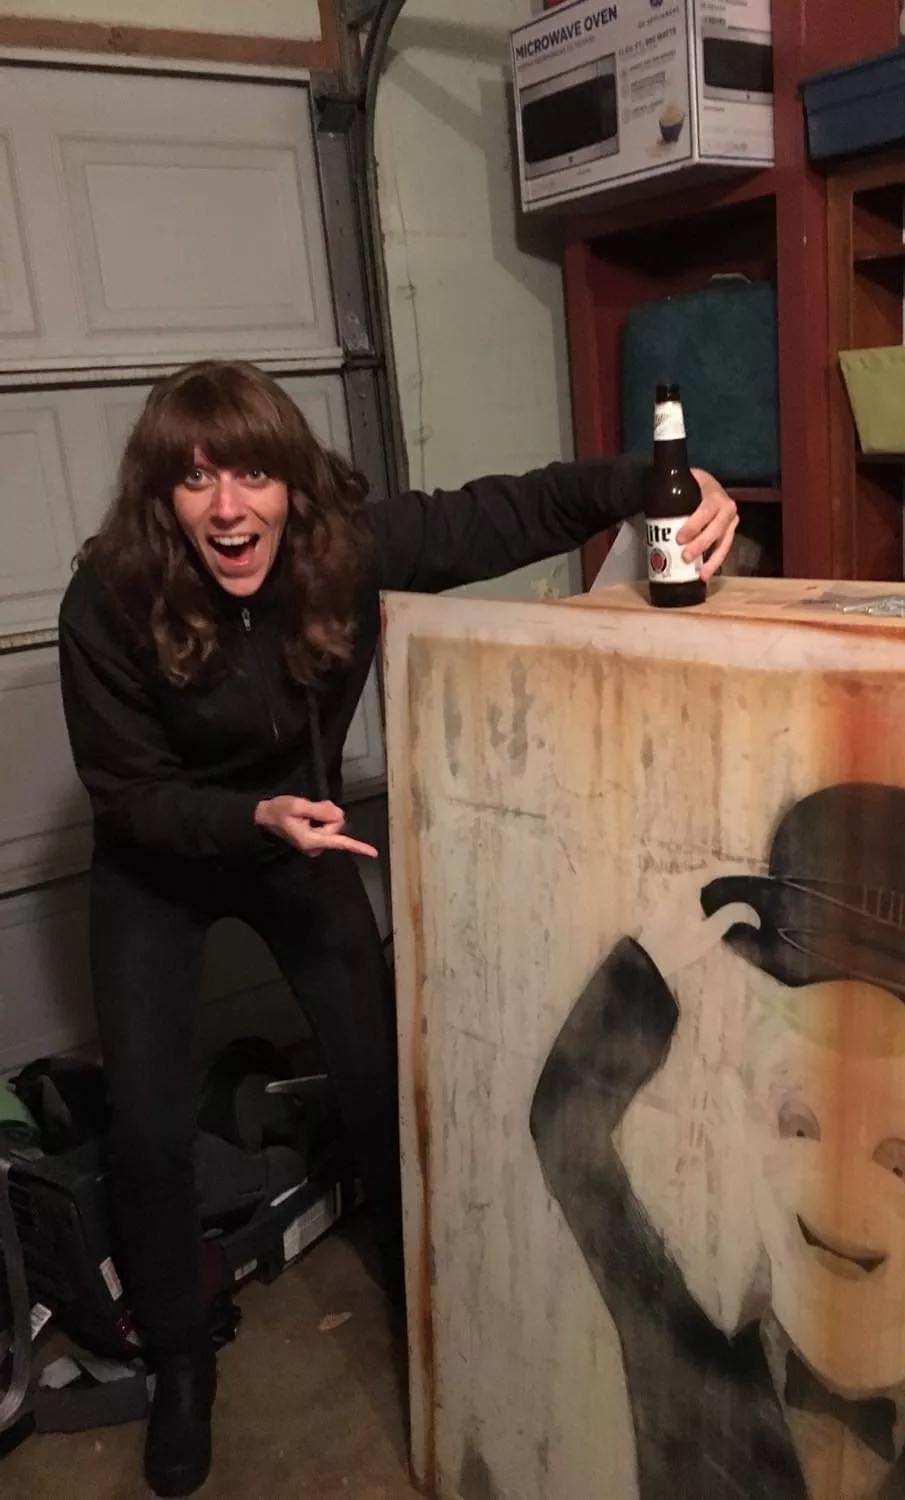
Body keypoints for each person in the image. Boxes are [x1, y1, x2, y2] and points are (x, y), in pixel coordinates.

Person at [56, 359, 739, 1498]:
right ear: (162, 501)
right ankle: (179, 1358)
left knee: (380, 1079)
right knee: (148, 1125)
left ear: (292, 484)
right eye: (196, 480)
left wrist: (658, 482)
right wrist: (248, 815)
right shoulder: (109, 597)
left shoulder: (345, 550)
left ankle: (424, 1296)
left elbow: (512, 509)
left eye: (253, 474)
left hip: (302, 840)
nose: (228, 506)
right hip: (161, 858)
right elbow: (125, 796)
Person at [531, 783, 905, 1499]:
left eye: (898, 1162)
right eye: (799, 1125)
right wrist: (648, 965)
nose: (838, 1187)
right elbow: (568, 1134)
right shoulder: (688, 1373)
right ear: (746, 1132)